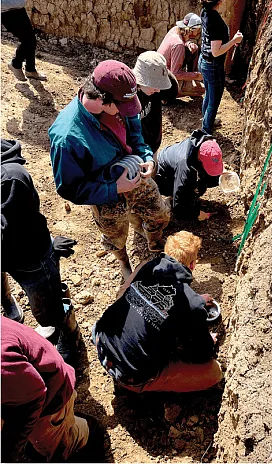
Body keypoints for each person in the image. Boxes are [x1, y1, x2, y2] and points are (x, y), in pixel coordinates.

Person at [49, 60, 171, 280]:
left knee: (159, 213)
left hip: (135, 173)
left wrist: (145, 158)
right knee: (115, 236)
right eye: (122, 108)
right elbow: (70, 188)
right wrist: (114, 188)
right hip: (105, 193)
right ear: (101, 99)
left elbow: (136, 136)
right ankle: (124, 262)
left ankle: (153, 240)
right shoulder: (67, 137)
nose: (128, 111)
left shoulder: (122, 99)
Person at [92, 230, 222, 393]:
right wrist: (206, 337)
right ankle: (144, 389)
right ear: (192, 265)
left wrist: (195, 301)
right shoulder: (192, 305)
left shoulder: (149, 267)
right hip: (129, 375)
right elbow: (201, 354)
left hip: (100, 340)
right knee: (213, 372)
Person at [1, 138, 79, 365]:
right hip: (7, 255)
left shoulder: (9, 178)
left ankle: (69, 333)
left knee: (47, 310)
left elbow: (6, 231)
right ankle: (8, 304)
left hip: (30, 258)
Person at [1, 317, 104, 462]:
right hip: (29, 386)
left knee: (60, 446)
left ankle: (81, 436)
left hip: (50, 396)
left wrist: (8, 452)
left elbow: (34, 397)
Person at [199, 0, 248, 134]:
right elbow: (216, 51)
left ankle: (206, 120)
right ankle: (206, 131)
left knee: (209, 94)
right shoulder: (216, 23)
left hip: (204, 61)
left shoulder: (205, 10)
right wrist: (234, 41)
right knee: (214, 100)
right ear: (218, 0)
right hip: (213, 64)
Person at [155, 129, 224, 222]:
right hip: (164, 177)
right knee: (185, 196)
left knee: (212, 180)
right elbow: (178, 205)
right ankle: (169, 202)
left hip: (177, 167)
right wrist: (196, 214)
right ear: (199, 158)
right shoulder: (185, 168)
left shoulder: (206, 144)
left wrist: (221, 175)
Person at [133, 50, 178, 155]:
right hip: (137, 152)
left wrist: (161, 72)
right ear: (140, 80)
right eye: (155, 84)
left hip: (154, 143)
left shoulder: (155, 90)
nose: (158, 90)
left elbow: (172, 91)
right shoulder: (128, 97)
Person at [157, 12, 205, 97]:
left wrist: (188, 43)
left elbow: (183, 41)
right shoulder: (179, 46)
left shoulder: (175, 30)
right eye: (198, 30)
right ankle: (179, 90)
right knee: (200, 90)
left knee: (194, 48)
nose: (199, 32)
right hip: (162, 82)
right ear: (191, 30)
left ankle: (188, 84)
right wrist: (196, 75)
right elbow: (175, 74)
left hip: (159, 73)